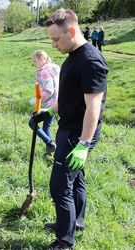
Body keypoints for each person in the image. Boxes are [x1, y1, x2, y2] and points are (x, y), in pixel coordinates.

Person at [32, 8, 108, 249]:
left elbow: (93, 107)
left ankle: (64, 241)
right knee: (76, 179)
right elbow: (68, 96)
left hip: (77, 134)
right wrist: (50, 111)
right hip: (70, 127)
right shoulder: (73, 56)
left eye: (56, 39)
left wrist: (83, 145)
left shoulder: (90, 60)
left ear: (72, 31)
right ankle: (76, 223)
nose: (53, 45)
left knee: (60, 186)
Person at [29, 50, 60, 155]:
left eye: (35, 61)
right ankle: (51, 152)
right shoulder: (55, 68)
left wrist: (36, 99)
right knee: (46, 127)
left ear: (42, 59)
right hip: (56, 103)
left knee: (32, 123)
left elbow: (48, 90)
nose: (34, 63)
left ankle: (50, 142)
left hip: (46, 105)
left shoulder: (43, 72)